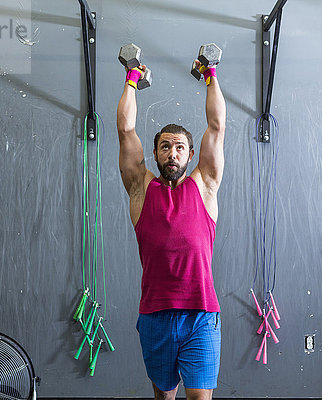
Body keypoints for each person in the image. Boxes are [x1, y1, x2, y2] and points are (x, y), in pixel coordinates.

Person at [116, 57, 226, 400]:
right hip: (155, 316)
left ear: (191, 154)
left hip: (201, 315)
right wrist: (132, 78)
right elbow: (124, 130)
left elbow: (217, 126)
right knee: (164, 397)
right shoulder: (141, 189)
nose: (172, 154)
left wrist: (211, 75)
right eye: (166, 147)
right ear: (155, 153)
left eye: (179, 147)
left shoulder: (205, 185)